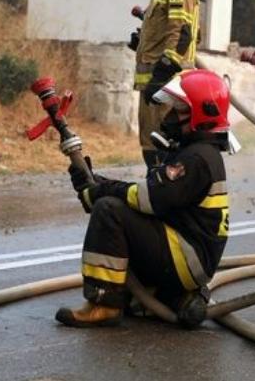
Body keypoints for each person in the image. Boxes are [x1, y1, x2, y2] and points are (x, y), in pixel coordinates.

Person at [55, 69, 230, 329]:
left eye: (180, 109)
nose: (171, 116)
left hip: (187, 258)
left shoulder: (197, 158)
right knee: (115, 206)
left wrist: (101, 192)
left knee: (109, 210)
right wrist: (98, 182)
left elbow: (150, 199)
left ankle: (104, 303)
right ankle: (169, 297)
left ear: (203, 114)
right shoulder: (198, 152)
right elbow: (156, 194)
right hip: (187, 252)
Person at [132, 0, 200, 172]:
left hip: (167, 82)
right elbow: (165, 29)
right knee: (151, 144)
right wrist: (143, 42)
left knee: (164, 145)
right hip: (154, 83)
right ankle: (158, 187)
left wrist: (163, 73)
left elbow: (181, 33)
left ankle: (168, 190)